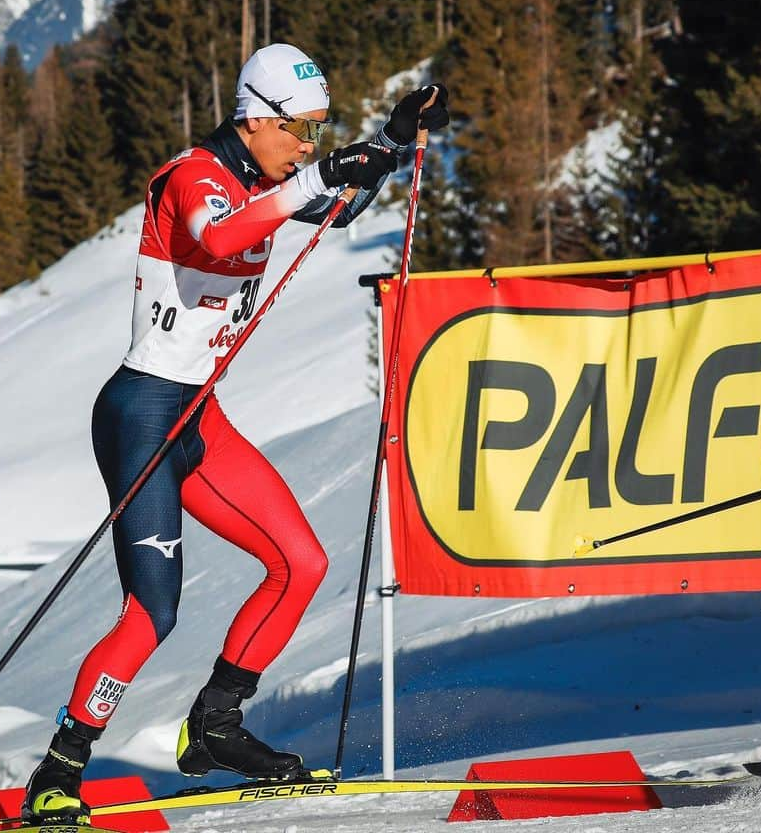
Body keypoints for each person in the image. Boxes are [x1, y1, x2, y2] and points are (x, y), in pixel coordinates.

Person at [22, 43, 449, 825]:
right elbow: (218, 238)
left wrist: (389, 140)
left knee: (301, 563)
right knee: (153, 612)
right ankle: (59, 769)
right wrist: (320, 177)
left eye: (317, 133)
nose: (307, 147)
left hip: (200, 417)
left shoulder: (275, 177)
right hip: (143, 414)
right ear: (255, 117)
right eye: (300, 130)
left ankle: (214, 728)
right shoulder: (196, 176)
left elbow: (342, 202)